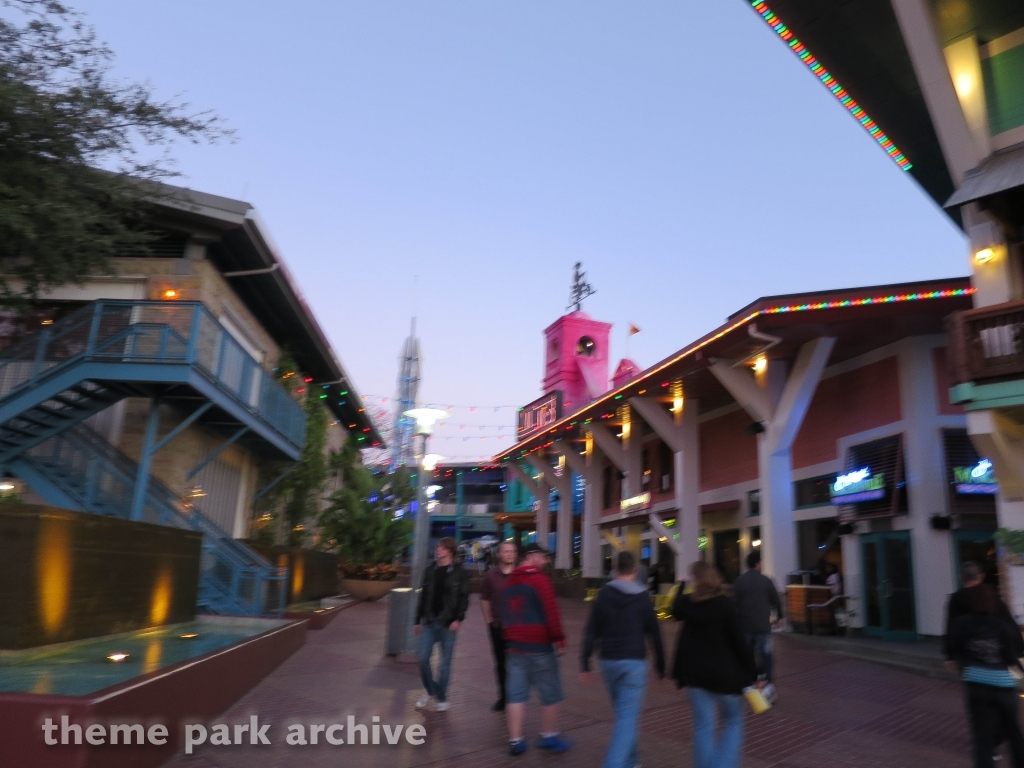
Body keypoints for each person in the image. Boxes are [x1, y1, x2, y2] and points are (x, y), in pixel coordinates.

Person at [580, 550, 665, 768]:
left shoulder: (603, 595)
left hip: (609, 661)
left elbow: (591, 630)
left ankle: (632, 760)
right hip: (635, 662)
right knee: (627, 716)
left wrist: (585, 663)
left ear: (615, 569)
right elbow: (654, 632)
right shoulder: (643, 596)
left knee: (625, 715)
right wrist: (660, 664)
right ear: (635, 571)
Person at [672, 561, 758, 768]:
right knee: (733, 722)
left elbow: (675, 609)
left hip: (695, 676)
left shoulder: (687, 603)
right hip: (725, 676)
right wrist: (754, 672)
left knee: (703, 726)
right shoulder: (725, 604)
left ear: (695, 580)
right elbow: (739, 641)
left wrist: (682, 586)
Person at [500, 542, 572, 756]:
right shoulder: (540, 581)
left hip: (514, 647)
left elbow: (503, 614)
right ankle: (549, 736)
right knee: (550, 692)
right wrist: (559, 639)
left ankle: (515, 741)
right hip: (539, 646)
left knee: (515, 695)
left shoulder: (508, 583)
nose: (546, 560)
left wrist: (509, 637)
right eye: (543, 556)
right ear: (531, 556)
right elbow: (551, 612)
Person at [947, 580, 1024, 767]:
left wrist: (959, 661)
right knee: (1014, 732)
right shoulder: (1000, 625)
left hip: (976, 686)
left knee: (982, 740)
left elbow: (954, 652)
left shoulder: (962, 624)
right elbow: (1008, 656)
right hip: (1002, 687)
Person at [414, 537, 469, 712]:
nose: (438, 550)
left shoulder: (459, 572)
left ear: (450, 550)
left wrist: (458, 619)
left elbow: (463, 598)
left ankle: (442, 697)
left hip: (447, 623)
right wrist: (417, 619)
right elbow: (423, 597)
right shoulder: (430, 570)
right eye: (438, 547)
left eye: (442, 547)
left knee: (445, 664)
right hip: (430, 621)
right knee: (422, 658)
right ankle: (432, 689)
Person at [732, 550, 783, 692]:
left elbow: (733, 604)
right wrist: (779, 616)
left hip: (745, 625)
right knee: (766, 655)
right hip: (763, 625)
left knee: (747, 655)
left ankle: (748, 682)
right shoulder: (766, 581)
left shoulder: (739, 581)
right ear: (758, 563)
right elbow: (776, 601)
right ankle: (768, 684)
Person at [480, 540, 518, 711]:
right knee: (501, 663)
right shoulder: (491, 576)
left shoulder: (521, 575)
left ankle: (515, 697)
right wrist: (489, 620)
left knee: (516, 663)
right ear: (499, 554)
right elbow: (484, 599)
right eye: (506, 551)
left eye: (512, 551)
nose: (510, 554)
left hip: (517, 627)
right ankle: (503, 697)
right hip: (497, 625)